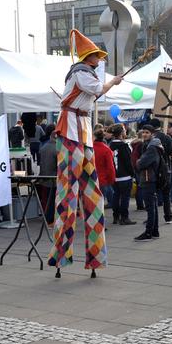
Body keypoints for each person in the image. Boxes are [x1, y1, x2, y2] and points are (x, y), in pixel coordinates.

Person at [48, 29, 121, 278]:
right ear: (88, 57)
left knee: (92, 194)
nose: (100, 60)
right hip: (70, 131)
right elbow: (98, 89)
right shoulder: (80, 72)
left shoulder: (85, 73)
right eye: (97, 56)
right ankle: (61, 254)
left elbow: (96, 91)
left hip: (83, 131)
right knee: (68, 195)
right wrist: (112, 82)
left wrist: (109, 83)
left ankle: (95, 256)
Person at [134, 125, 163, 241]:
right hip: (150, 178)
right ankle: (154, 231)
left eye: (147, 132)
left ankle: (148, 232)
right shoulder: (150, 145)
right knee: (153, 206)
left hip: (148, 178)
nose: (144, 134)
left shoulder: (151, 147)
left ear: (152, 134)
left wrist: (138, 161)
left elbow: (142, 163)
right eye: (143, 132)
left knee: (150, 207)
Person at [108, 123, 136, 226]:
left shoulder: (110, 145)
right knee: (125, 197)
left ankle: (116, 217)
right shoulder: (123, 146)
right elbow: (128, 162)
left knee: (116, 196)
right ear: (121, 133)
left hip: (114, 175)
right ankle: (124, 217)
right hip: (124, 175)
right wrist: (132, 173)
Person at [149, 118, 172, 224]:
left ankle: (152, 218)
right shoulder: (167, 138)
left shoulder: (150, 138)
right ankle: (168, 217)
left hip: (153, 169)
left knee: (152, 195)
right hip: (165, 169)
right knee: (166, 195)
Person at [93, 129, 116, 212]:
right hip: (103, 179)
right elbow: (110, 167)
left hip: (91, 178)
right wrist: (111, 179)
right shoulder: (106, 149)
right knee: (100, 202)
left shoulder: (90, 148)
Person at [38, 130, 58, 224]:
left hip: (43, 176)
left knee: (46, 200)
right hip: (53, 178)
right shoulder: (57, 149)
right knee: (52, 201)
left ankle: (46, 217)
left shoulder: (43, 147)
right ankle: (50, 219)